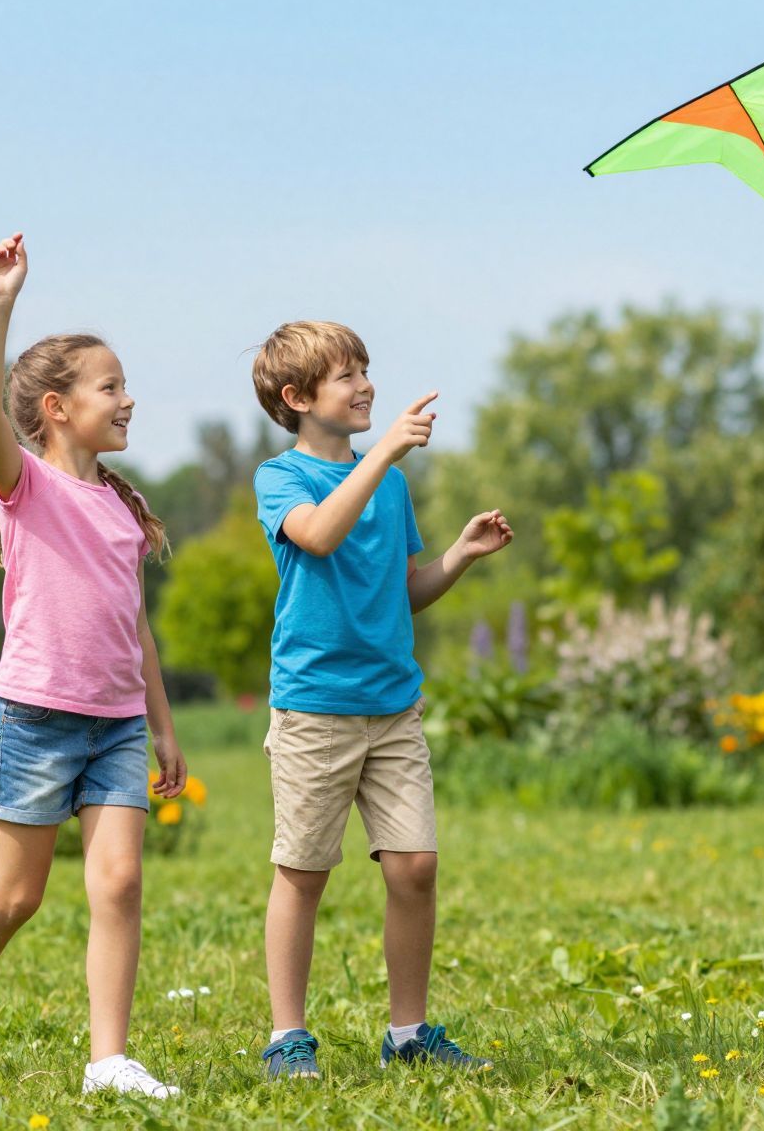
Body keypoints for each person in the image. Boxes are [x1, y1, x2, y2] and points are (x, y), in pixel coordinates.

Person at [0, 233, 186, 1098]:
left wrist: (164, 726)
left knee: (121, 882)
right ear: (61, 408)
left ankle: (109, 1059)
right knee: (18, 895)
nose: (129, 399)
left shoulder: (120, 508)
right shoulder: (25, 485)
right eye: (112, 387)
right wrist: (0, 302)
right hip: (35, 716)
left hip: (116, 725)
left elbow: (133, 627)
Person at [249, 321, 513, 1080]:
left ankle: (408, 1032)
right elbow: (321, 537)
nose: (365, 383)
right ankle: (288, 1036)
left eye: (365, 369)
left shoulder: (390, 485)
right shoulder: (282, 479)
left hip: (392, 706)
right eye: (346, 375)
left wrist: (458, 556)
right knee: (303, 871)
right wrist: (389, 452)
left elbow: (405, 592)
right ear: (298, 399)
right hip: (315, 708)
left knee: (416, 867)